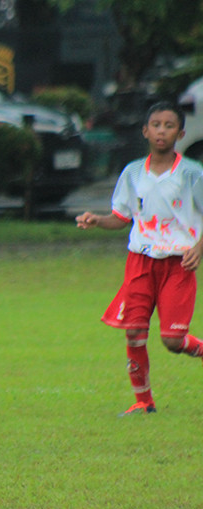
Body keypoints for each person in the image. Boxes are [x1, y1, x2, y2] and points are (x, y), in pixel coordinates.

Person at [76, 101, 203, 415]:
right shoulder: (133, 173)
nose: (162, 131)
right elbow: (122, 217)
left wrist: (198, 247)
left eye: (169, 125)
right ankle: (143, 402)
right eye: (156, 125)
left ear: (181, 133)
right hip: (140, 262)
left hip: (177, 263)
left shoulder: (192, 174)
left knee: (173, 340)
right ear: (145, 131)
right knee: (134, 331)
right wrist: (98, 220)